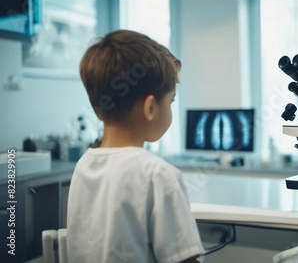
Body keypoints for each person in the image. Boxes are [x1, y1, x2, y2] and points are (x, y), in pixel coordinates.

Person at [67, 30, 204, 263]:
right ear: (150, 107)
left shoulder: (83, 166)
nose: (171, 108)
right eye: (170, 101)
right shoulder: (158, 175)